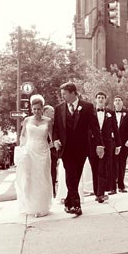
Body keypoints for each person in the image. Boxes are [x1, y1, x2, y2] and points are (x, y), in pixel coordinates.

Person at [52, 83, 102, 216]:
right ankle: (76, 205)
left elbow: (95, 127)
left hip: (82, 148)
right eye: (62, 94)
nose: (62, 96)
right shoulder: (58, 109)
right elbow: (56, 128)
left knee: (76, 176)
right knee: (70, 174)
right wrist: (55, 140)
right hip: (65, 148)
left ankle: (69, 202)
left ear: (73, 93)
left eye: (65, 93)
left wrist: (99, 144)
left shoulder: (87, 107)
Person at [15, 94, 53, 217]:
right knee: (29, 179)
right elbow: (22, 136)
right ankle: (31, 206)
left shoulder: (48, 121)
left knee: (42, 177)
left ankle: (42, 207)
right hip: (30, 151)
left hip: (43, 151)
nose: (36, 111)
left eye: (39, 108)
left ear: (43, 109)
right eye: (34, 109)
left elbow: (52, 139)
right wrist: (22, 151)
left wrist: (53, 148)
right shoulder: (27, 120)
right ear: (31, 109)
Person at [88, 91, 120, 203]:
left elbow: (115, 129)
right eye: (99, 97)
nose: (101, 99)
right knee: (94, 168)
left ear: (105, 100)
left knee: (103, 168)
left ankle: (101, 194)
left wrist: (118, 144)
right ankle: (97, 192)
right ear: (96, 99)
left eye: (102, 98)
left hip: (107, 144)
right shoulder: (91, 112)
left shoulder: (110, 113)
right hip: (93, 144)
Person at [111, 95, 128, 194]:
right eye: (115, 100)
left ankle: (121, 186)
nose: (117, 102)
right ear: (113, 103)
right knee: (112, 165)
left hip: (124, 144)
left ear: (122, 102)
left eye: (119, 100)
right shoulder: (109, 113)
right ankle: (112, 188)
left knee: (121, 165)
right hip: (112, 143)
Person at [43, 104, 59, 198]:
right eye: (52, 111)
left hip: (53, 153)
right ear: (46, 112)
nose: (54, 113)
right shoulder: (40, 122)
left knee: (53, 171)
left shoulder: (54, 124)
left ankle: (52, 190)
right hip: (42, 150)